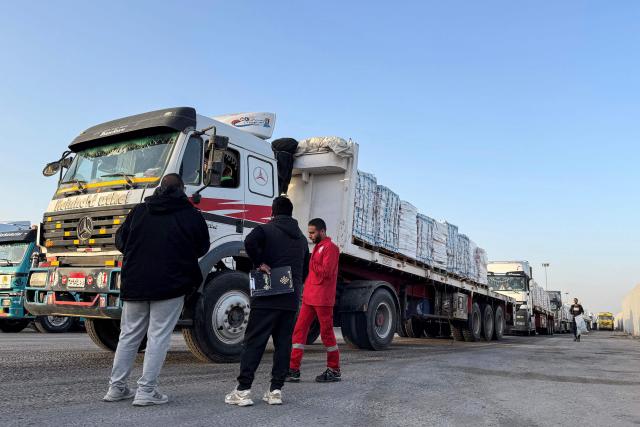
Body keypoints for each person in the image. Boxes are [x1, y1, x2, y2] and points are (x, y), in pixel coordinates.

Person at [104, 174, 210, 406]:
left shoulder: (140, 211)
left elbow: (120, 241)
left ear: (160, 188)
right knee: (158, 336)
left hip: (135, 282)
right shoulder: (191, 215)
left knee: (129, 335)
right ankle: (146, 391)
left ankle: (116, 388)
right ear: (182, 189)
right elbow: (202, 247)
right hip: (171, 284)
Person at [225, 196, 309, 407]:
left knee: (254, 342)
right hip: (290, 299)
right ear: (291, 213)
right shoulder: (301, 239)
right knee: (283, 344)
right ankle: (275, 391)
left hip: (267, 295)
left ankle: (243, 390)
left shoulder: (266, 229)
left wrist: (260, 262)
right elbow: (305, 268)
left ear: (273, 211)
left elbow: (249, 242)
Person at [286, 218, 341, 383]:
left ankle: (334, 370)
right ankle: (293, 370)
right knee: (299, 331)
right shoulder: (319, 247)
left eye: (312, 232)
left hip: (322, 299)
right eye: (309, 232)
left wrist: (312, 263)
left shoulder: (331, 248)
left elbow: (327, 273)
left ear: (322, 231)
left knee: (327, 334)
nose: (309, 235)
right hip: (310, 298)